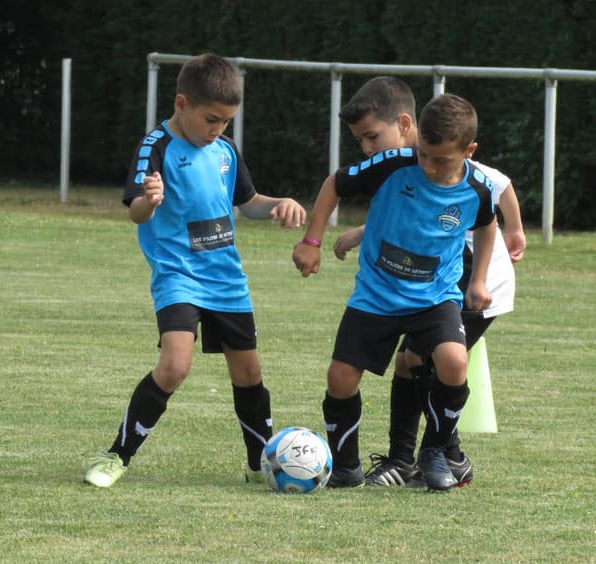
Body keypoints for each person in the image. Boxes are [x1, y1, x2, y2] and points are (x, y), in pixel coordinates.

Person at [83, 53, 306, 488]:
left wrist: (277, 203)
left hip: (227, 279)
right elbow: (137, 214)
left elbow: (248, 201)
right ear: (181, 104)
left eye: (226, 122)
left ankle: (257, 464)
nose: (217, 130)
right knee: (175, 366)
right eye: (211, 120)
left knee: (249, 374)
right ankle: (115, 456)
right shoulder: (156, 147)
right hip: (179, 275)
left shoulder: (224, 150)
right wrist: (151, 198)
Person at [293, 93, 497, 491]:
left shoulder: (478, 187)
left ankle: (436, 451)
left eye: (441, 160)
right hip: (376, 294)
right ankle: (346, 467)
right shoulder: (393, 164)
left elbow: (488, 223)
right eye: (423, 154)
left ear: (468, 150)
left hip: (435, 297)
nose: (428, 166)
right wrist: (312, 242)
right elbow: (335, 183)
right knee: (341, 377)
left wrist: (479, 280)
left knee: (453, 362)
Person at [332, 77, 526, 488]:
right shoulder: (418, 160)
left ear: (403, 125)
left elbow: (501, 185)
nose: (367, 149)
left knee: (426, 362)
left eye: (372, 138)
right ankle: (414, 458)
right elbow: (405, 218)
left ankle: (445, 456)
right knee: (412, 362)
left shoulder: (453, 157)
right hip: (432, 282)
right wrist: (360, 233)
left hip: (478, 281)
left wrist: (516, 232)